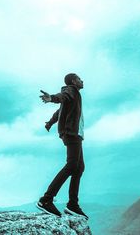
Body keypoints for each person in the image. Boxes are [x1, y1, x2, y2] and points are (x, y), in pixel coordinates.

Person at [36, 73, 88, 220]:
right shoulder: (71, 90)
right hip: (72, 133)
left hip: (74, 134)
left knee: (79, 167)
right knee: (72, 165)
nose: (82, 80)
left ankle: (72, 205)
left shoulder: (73, 96)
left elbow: (60, 111)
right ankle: (46, 199)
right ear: (73, 81)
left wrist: (50, 123)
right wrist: (52, 98)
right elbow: (62, 97)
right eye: (79, 78)